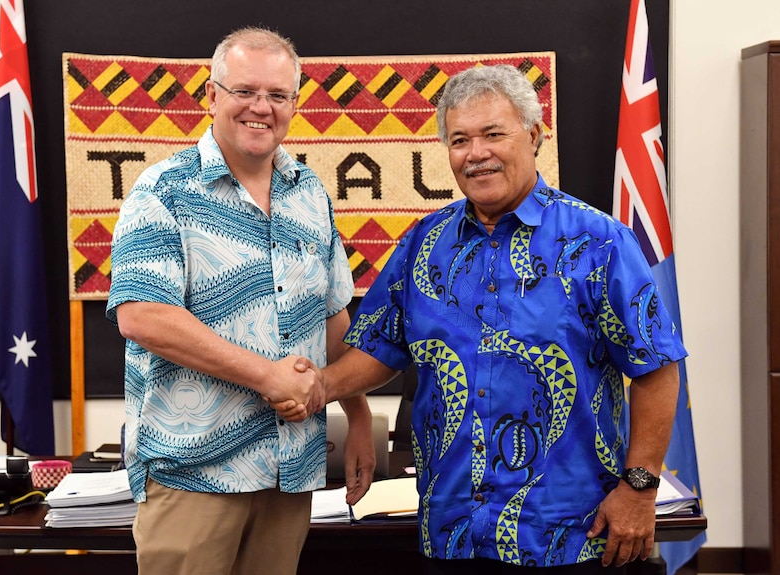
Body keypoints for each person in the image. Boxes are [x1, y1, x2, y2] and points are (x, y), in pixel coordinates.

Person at [277, 64, 685, 575]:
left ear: (533, 136)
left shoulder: (599, 242)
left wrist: (640, 487)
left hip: (569, 535)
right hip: (453, 532)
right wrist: (321, 386)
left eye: (494, 134)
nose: (476, 154)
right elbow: (379, 347)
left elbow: (656, 367)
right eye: (460, 140)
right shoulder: (422, 244)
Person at [106, 26, 375, 575]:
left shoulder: (310, 193)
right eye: (245, 91)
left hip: (291, 470)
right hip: (196, 475)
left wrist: (360, 416)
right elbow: (142, 316)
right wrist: (267, 376)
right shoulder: (161, 192)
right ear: (211, 96)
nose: (261, 108)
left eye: (278, 96)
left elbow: (331, 317)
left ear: (294, 105)